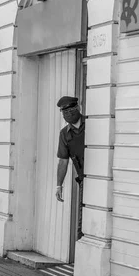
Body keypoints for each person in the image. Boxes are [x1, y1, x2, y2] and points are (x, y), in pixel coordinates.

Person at [55, 96, 85, 240]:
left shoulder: (92, 123)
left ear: (78, 108)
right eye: (64, 113)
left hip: (101, 178)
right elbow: (63, 161)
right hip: (84, 180)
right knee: (83, 221)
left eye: (71, 111)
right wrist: (58, 186)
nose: (68, 115)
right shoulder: (64, 134)